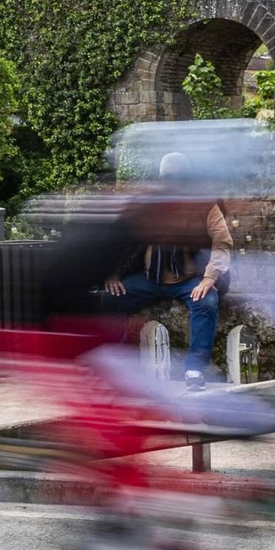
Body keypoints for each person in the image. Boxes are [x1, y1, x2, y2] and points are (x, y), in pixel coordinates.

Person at [101, 153, 234, 392]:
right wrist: (113, 273)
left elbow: (222, 241)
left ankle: (194, 368)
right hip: (150, 278)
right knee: (110, 297)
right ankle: (118, 366)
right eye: (167, 178)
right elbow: (121, 239)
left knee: (206, 301)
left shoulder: (205, 202)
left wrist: (209, 277)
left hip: (190, 278)